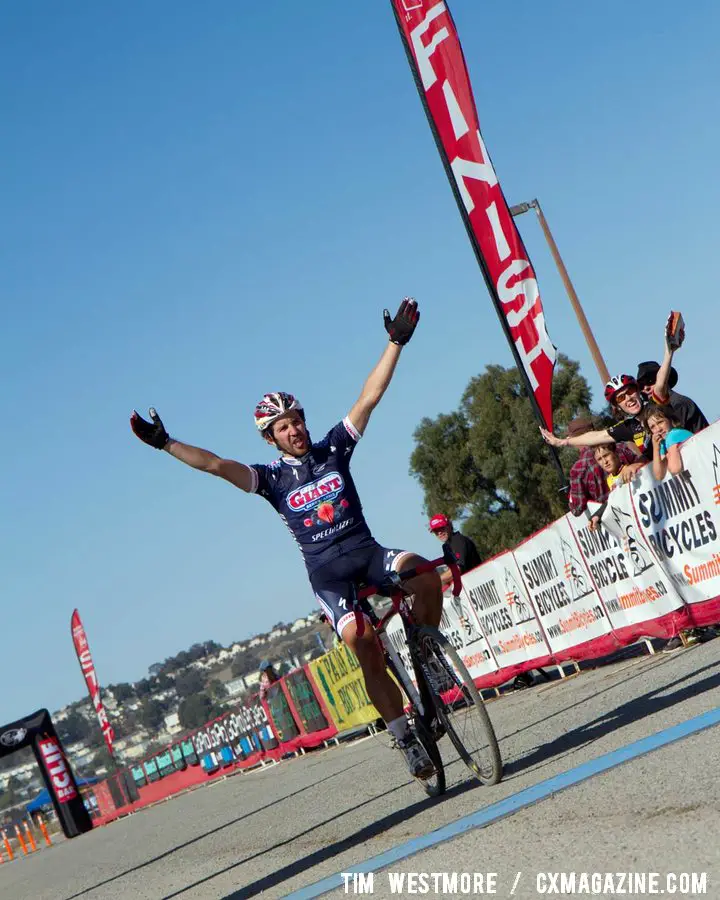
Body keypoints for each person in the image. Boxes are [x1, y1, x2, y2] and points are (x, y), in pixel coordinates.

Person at [130, 298, 440, 779]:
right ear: (270, 438)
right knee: (362, 640)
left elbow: (369, 397)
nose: (294, 429)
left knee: (425, 574)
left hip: (369, 553)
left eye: (296, 419)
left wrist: (395, 342)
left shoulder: (334, 447)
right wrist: (165, 444)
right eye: (282, 427)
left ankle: (430, 658)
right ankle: (404, 736)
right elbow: (215, 465)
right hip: (329, 576)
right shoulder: (271, 479)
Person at [541, 374, 652, 468]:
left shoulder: (656, 406)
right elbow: (596, 437)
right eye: (621, 398)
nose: (628, 398)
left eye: (630, 391)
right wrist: (561, 442)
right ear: (618, 406)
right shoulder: (628, 426)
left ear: (638, 391)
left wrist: (668, 353)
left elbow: (661, 386)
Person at [636, 312, 708, 435]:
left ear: (664, 378)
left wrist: (669, 352)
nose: (645, 388)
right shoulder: (654, 412)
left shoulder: (678, 404)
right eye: (641, 386)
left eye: (650, 381)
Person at [566, 416, 638, 517]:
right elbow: (641, 467)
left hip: (613, 519)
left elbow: (577, 509)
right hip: (636, 506)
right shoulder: (619, 447)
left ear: (574, 439)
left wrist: (571, 495)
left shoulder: (578, 469)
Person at [640, 404, 693, 481]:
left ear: (670, 420)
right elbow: (659, 476)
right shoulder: (663, 442)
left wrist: (667, 457)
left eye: (660, 422)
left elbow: (675, 469)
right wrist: (656, 448)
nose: (658, 429)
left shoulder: (673, 435)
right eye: (653, 427)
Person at [428, 514, 481, 587]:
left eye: (441, 528)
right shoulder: (446, 546)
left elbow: (458, 569)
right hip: (468, 588)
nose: (439, 533)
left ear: (449, 526)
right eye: (435, 531)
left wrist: (436, 580)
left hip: (478, 583)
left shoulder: (458, 540)